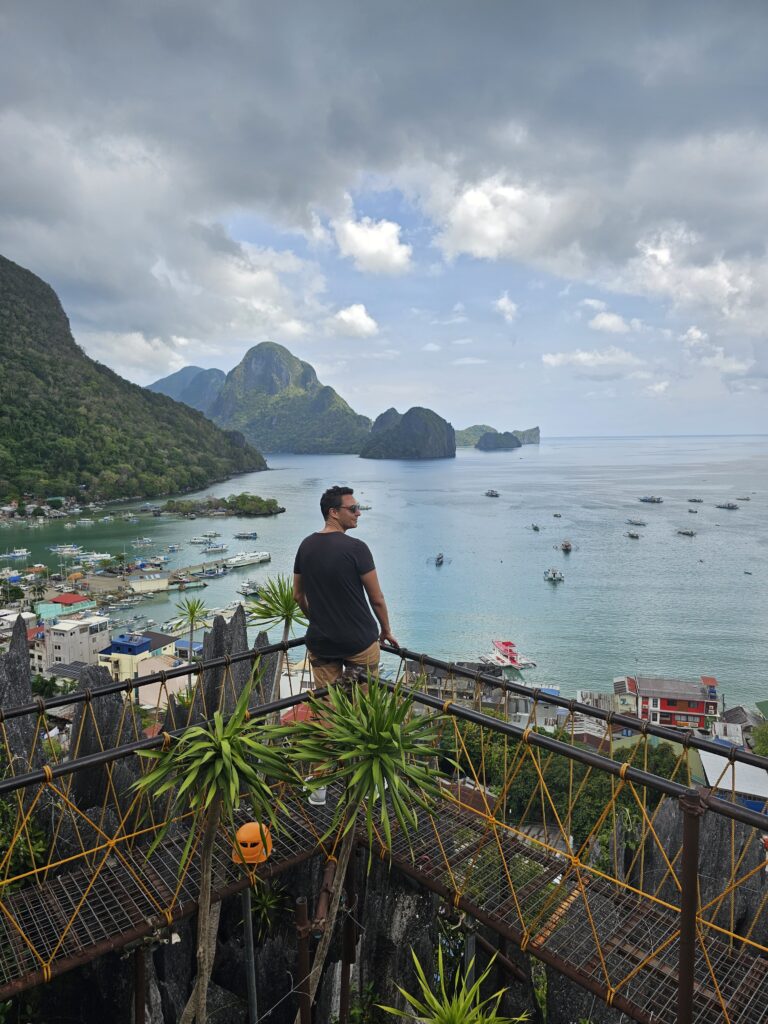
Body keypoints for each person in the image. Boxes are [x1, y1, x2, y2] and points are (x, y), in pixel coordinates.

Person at [293, 485, 398, 687]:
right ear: (333, 512)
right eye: (352, 509)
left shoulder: (306, 545)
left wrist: (317, 621)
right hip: (359, 642)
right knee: (363, 708)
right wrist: (385, 630)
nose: (358, 513)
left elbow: (297, 595)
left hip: (321, 642)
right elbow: (376, 599)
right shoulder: (357, 548)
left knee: (328, 709)